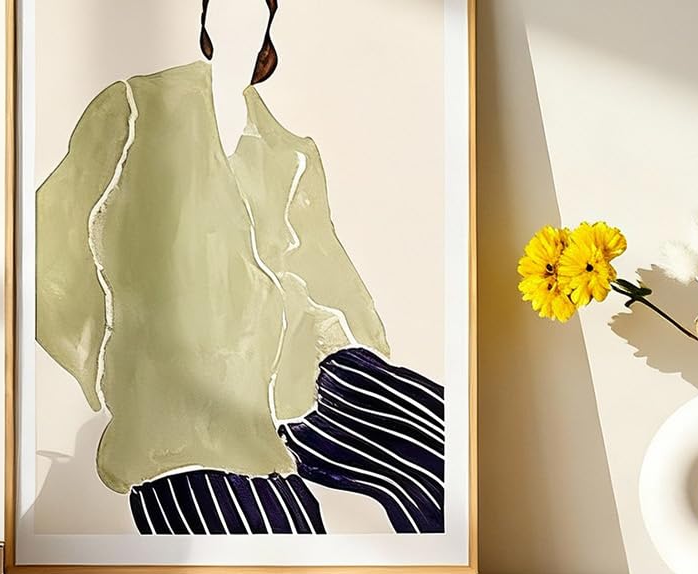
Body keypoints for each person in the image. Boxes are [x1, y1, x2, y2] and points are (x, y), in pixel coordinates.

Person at [36, 0, 445, 537]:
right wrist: (108, 369)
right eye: (224, 9)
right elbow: (48, 244)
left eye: (254, 12)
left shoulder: (291, 150)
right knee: (283, 542)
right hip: (182, 403)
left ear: (270, 28)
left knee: (440, 454)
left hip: (307, 371)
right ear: (204, 22)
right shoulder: (134, 107)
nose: (239, 24)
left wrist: (360, 349)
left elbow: (326, 268)